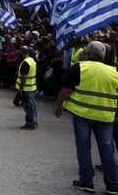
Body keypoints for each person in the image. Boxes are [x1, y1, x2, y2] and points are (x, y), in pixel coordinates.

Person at [54, 41, 118, 195]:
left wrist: (58, 104)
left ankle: (87, 181)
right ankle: (113, 185)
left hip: (82, 114)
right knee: (107, 150)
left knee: (84, 147)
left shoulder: (80, 67)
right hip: (106, 116)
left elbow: (67, 89)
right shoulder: (115, 72)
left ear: (87, 54)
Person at [16, 45, 37, 130]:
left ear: (22, 52)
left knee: (28, 107)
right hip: (32, 87)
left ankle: (30, 124)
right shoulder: (32, 60)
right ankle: (34, 123)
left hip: (26, 88)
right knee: (32, 106)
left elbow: (24, 77)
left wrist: (21, 88)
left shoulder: (25, 62)